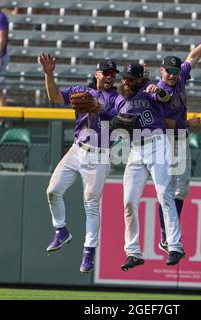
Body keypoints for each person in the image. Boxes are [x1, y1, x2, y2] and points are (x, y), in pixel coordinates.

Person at [38, 53, 119, 273]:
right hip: (77, 150)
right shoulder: (81, 91)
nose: (111, 77)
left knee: (91, 206)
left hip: (100, 155)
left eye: (114, 74)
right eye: (107, 72)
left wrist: (101, 109)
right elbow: (55, 97)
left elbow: (120, 118)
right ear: (97, 74)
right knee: (53, 191)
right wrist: (49, 74)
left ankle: (89, 253)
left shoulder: (117, 97)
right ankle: (61, 231)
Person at [112, 62, 185, 271]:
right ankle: (133, 252)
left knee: (164, 195)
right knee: (128, 202)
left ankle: (175, 246)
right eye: (124, 78)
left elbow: (164, 96)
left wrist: (159, 90)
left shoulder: (149, 89)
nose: (125, 81)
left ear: (140, 80)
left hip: (156, 144)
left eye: (130, 79)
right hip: (135, 149)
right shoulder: (119, 99)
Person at [155, 31, 201, 253]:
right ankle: (165, 234)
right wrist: (189, 124)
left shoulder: (180, 76)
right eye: (168, 71)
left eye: (174, 70)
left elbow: (192, 57)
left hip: (180, 139)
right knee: (166, 190)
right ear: (160, 71)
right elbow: (162, 121)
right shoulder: (160, 90)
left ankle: (166, 236)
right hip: (165, 141)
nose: (172, 75)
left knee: (180, 190)